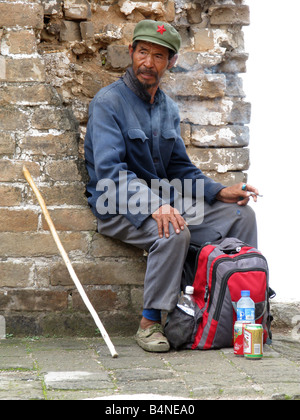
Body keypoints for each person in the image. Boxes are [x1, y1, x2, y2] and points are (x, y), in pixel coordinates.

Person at [84, 19, 260, 353]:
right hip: (116, 204)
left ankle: (237, 308)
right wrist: (154, 205)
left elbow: (179, 168)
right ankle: (150, 323)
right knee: (173, 229)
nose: (148, 62)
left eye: (159, 56)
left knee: (241, 216)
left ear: (171, 62)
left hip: (165, 203)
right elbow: (109, 174)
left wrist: (220, 191)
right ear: (132, 52)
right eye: (143, 52)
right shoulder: (108, 103)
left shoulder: (166, 107)